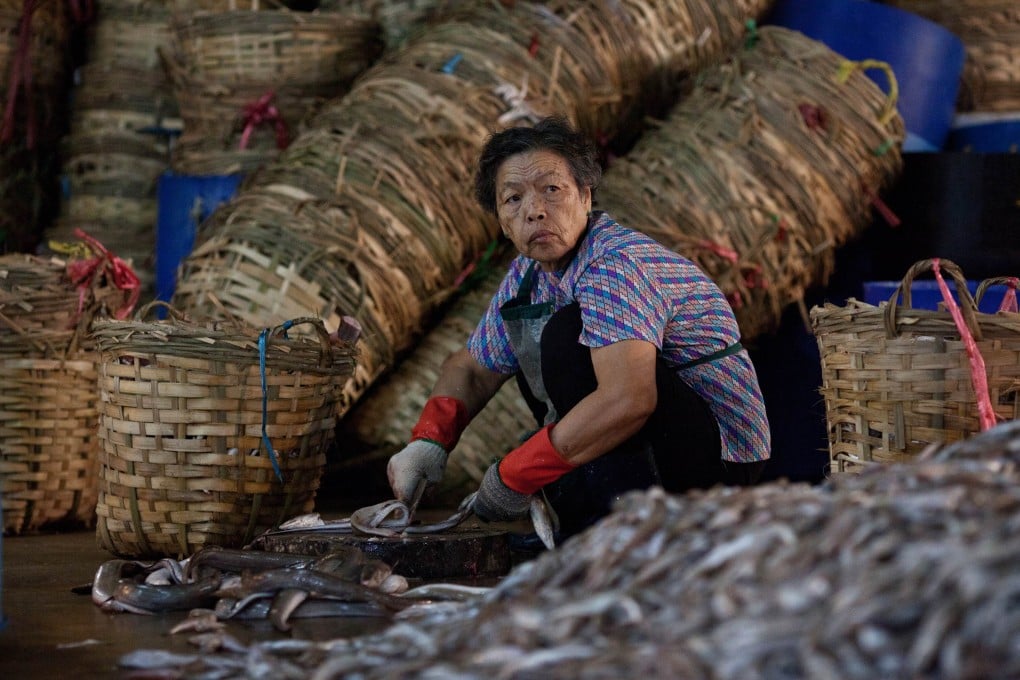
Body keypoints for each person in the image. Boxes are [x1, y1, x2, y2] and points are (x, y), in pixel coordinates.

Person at [387, 115, 771, 540]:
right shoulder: (528, 276)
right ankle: (602, 525)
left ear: (586, 197)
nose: (534, 210)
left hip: (718, 455)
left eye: (552, 190)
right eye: (513, 199)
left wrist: (515, 474)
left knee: (566, 336)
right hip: (639, 442)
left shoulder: (613, 265)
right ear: (500, 219)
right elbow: (474, 369)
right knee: (542, 335)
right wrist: (429, 441)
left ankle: (638, 534)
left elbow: (629, 399)